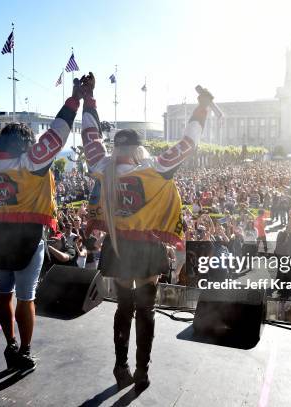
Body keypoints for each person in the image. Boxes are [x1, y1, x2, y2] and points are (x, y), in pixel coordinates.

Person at [79, 72, 211, 391]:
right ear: (137, 149)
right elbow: (188, 143)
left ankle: (121, 365)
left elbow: (89, 137)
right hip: (148, 248)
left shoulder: (100, 167)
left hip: (119, 246)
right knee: (146, 309)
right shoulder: (153, 171)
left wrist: (89, 99)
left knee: (124, 307)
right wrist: (202, 108)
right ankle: (142, 370)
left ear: (116, 148)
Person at [0, 82, 80, 372]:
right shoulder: (31, 162)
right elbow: (57, 134)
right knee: (26, 296)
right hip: (28, 237)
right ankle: (24, 350)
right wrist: (74, 100)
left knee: (3, 292)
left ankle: (10, 342)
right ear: (26, 143)